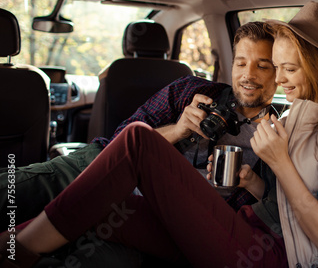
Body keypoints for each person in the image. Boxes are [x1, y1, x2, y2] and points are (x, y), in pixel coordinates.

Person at [0, 2, 318, 268]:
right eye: (246, 63)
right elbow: (113, 147)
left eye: (281, 69)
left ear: (317, 65)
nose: (275, 78)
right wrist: (254, 179)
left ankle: (16, 251)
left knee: (138, 141)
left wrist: (276, 161)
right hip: (235, 220)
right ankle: (13, 244)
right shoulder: (198, 92)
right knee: (105, 206)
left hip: (265, 252)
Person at [0, 21, 277, 265]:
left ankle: (15, 249)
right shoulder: (192, 90)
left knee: (96, 256)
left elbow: (248, 220)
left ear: (279, 73)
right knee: (17, 188)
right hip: (103, 167)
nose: (248, 75)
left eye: (262, 66)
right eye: (241, 63)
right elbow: (122, 143)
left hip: (163, 222)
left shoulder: (277, 137)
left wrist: (249, 182)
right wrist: (178, 129)